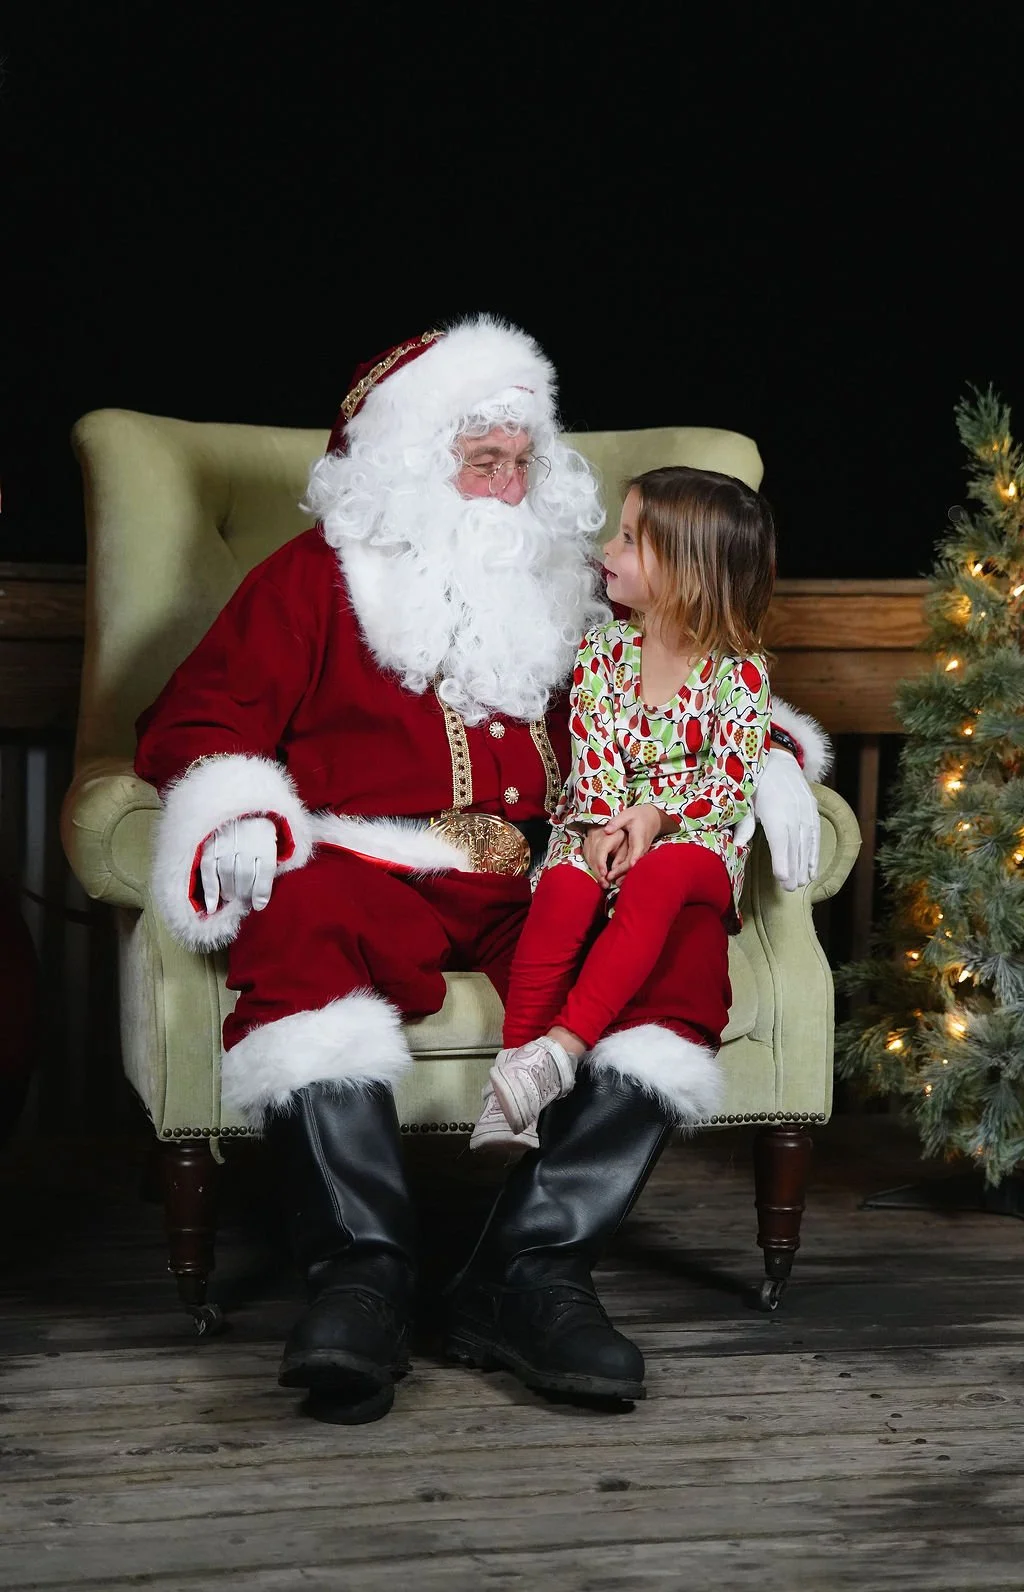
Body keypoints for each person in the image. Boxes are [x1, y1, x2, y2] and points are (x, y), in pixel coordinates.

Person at [134, 315, 829, 1421]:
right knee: (297, 907)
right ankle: (360, 1274)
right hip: (372, 868)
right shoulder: (314, 578)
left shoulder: (571, 592)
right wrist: (236, 813)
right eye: (480, 462)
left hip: (545, 873)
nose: (506, 489)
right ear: (415, 468)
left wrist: (776, 761)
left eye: (520, 463)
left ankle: (530, 1270)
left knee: (677, 941)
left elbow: (693, 683)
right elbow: (196, 717)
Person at [481, 466, 774, 1144]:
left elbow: (728, 785)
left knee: (659, 875)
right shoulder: (605, 651)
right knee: (563, 885)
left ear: (686, 570)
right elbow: (596, 756)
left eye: (629, 540)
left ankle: (562, 1050)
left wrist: (656, 819)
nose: (607, 552)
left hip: (695, 841)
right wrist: (602, 827)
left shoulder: (741, 670)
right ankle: (515, 1076)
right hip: (605, 819)